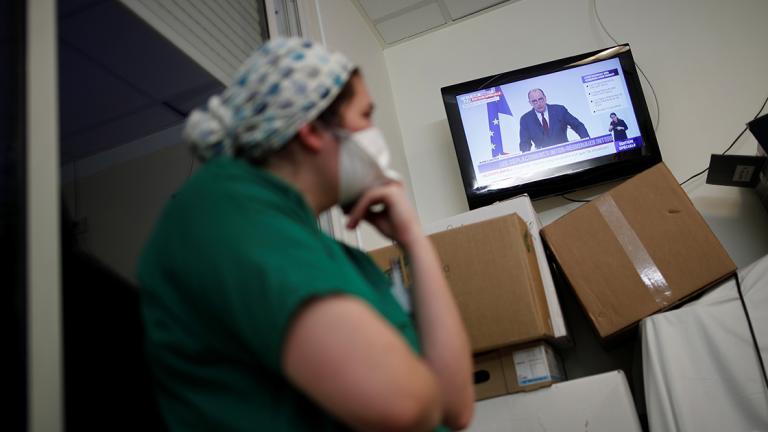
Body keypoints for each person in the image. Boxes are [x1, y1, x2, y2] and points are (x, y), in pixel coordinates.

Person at [137, 38, 474, 432]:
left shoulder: (333, 255)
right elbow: (405, 404)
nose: (373, 134)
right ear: (313, 130)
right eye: (365, 115)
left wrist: (414, 239)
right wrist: (420, 381)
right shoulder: (224, 206)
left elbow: (456, 408)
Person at [518, 88, 589, 152]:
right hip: (543, 158)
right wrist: (526, 157)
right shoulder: (525, 119)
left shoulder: (559, 110)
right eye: (534, 101)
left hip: (565, 152)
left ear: (545, 98)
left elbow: (578, 126)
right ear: (530, 103)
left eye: (540, 99)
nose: (539, 103)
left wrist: (587, 143)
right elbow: (525, 143)